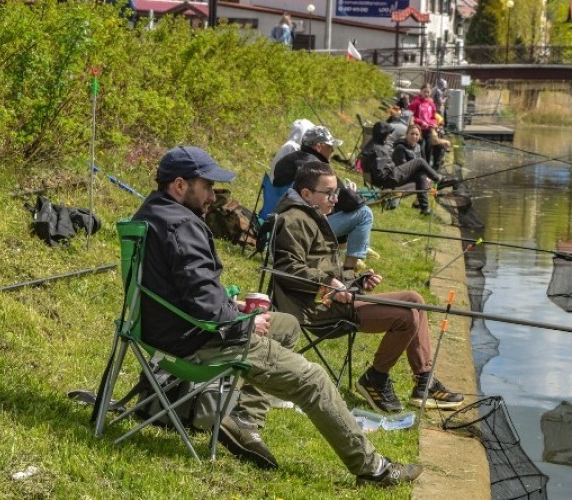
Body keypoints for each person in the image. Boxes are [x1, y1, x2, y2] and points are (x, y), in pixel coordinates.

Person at [133, 145, 422, 486]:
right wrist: (240, 320)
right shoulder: (183, 227)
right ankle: (374, 469)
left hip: (160, 332)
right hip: (198, 340)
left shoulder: (149, 214)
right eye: (207, 186)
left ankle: (245, 423)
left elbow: (185, 290)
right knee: (313, 380)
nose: (213, 195)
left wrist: (233, 306)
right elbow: (202, 299)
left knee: (285, 324)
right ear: (180, 185)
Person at [271, 161, 465, 413]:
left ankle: (424, 382)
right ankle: (376, 378)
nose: (336, 198)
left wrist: (354, 280)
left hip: (330, 298)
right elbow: (286, 270)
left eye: (336, 191)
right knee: (405, 316)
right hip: (313, 308)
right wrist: (331, 283)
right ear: (306, 194)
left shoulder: (310, 214)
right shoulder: (295, 219)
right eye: (329, 193)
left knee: (415, 299)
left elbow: (324, 269)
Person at [273, 126, 374, 271]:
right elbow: (353, 202)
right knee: (364, 213)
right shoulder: (319, 170)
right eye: (330, 147)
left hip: (280, 217)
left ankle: (332, 257)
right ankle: (349, 268)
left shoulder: (287, 159)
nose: (333, 151)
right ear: (319, 146)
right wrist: (351, 192)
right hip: (304, 225)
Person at [359, 121, 458, 216]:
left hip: (386, 178)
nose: (390, 136)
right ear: (382, 134)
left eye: (417, 135)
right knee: (419, 161)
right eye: (388, 134)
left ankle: (425, 209)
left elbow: (379, 168)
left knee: (420, 176)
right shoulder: (378, 149)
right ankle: (438, 180)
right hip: (387, 179)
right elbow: (381, 173)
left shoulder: (373, 145)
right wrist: (392, 166)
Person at [407, 84, 439, 165]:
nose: (426, 94)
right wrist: (421, 122)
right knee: (421, 149)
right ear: (420, 91)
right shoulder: (415, 102)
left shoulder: (431, 104)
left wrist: (434, 124)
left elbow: (433, 117)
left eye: (428, 92)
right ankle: (420, 166)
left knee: (428, 149)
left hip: (428, 130)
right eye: (425, 92)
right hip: (418, 131)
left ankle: (427, 167)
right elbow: (411, 116)